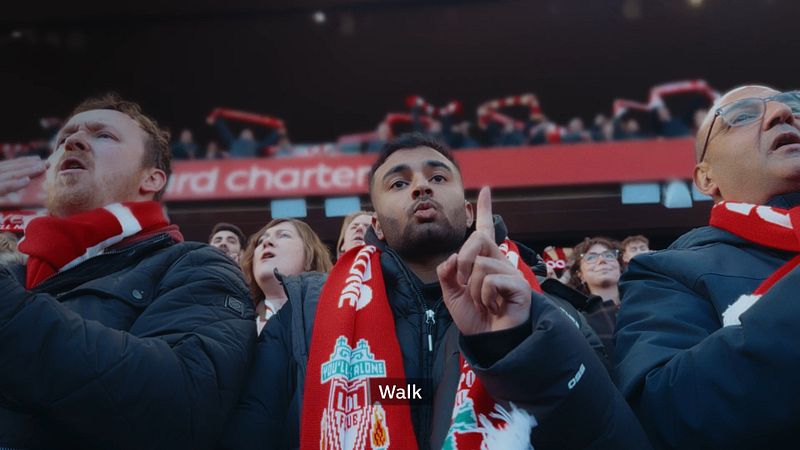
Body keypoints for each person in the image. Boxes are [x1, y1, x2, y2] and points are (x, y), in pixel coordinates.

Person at [221, 133, 650, 449]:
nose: (421, 187)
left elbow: (612, 435)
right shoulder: (303, 314)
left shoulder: (546, 310)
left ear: (469, 212)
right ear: (376, 227)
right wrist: (400, 392)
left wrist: (517, 344)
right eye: (398, 183)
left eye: (438, 177)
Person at [0, 94, 255, 449]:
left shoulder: (195, 265)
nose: (72, 142)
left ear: (151, 179)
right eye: (63, 139)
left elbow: (179, 406)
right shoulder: (15, 274)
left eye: (103, 135)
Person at [615, 85, 800, 449]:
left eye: (795, 108)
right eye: (743, 116)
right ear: (706, 178)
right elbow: (666, 414)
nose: (782, 114)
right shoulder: (664, 273)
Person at [239, 218, 332, 334]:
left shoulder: (335, 311)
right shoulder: (237, 326)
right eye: (260, 240)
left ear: (310, 257)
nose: (266, 242)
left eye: (284, 235)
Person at [567, 237, 623, 359]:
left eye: (609, 255)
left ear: (620, 267)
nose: (602, 260)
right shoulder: (577, 321)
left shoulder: (643, 304)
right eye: (591, 258)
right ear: (580, 275)